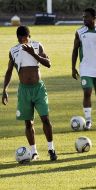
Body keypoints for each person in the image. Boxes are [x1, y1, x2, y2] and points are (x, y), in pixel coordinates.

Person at [2, 25, 57, 161]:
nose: (22, 41)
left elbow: (48, 63)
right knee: (28, 123)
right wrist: (4, 90)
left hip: (38, 89)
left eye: (24, 38)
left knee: (45, 119)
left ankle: (51, 149)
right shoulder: (13, 51)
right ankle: (34, 152)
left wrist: (33, 53)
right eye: (20, 39)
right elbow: (9, 71)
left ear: (29, 37)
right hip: (24, 91)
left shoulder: (38, 46)